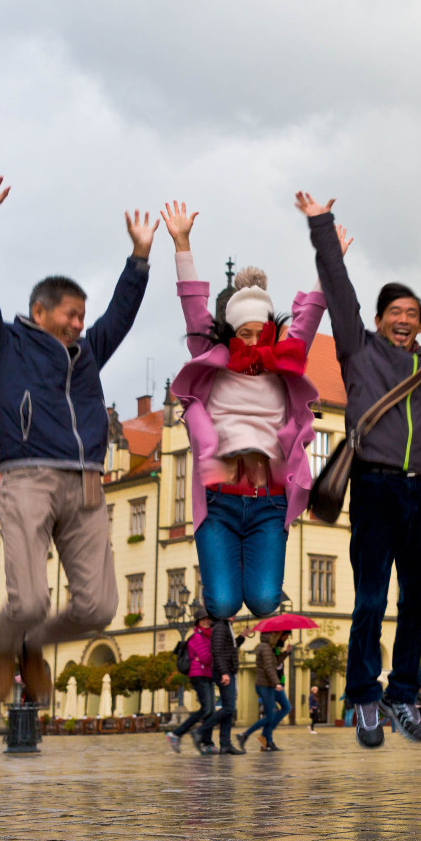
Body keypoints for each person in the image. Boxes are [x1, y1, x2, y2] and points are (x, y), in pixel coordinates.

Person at [303, 192, 421, 750]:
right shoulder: (358, 353)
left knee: (420, 601)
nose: (405, 321)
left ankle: (402, 692)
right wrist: (321, 226)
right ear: (381, 320)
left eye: (413, 316)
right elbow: (339, 291)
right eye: (396, 314)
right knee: (369, 600)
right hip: (375, 486)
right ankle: (363, 696)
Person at [0, 166, 149, 706]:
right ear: (40, 312)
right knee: (32, 599)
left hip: (86, 483)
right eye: (70, 315)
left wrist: (139, 259)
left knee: (99, 608)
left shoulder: (87, 354)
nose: (79, 325)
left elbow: (122, 316)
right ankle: (4, 639)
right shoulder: (3, 345)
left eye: (83, 317)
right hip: (28, 479)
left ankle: (29, 645)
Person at [165, 201, 326, 685]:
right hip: (218, 502)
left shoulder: (285, 364)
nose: (255, 341)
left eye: (262, 331)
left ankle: (236, 596)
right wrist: (182, 245)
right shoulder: (211, 359)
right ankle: (217, 618)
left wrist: (326, 255)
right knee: (218, 602)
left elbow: (311, 317)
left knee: (261, 600)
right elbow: (193, 308)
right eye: (245, 332)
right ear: (231, 330)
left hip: (268, 506)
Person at [166, 614, 242, 754]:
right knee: (206, 709)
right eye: (203, 619)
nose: (207, 621)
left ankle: (207, 743)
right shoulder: (197, 637)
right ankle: (177, 734)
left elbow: (220, 651)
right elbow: (207, 658)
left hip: (207, 674)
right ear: (198, 622)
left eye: (208, 619)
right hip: (198, 675)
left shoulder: (210, 635)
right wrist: (219, 655)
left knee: (210, 709)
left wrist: (236, 641)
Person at [239, 629, 291, 751]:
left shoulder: (272, 647)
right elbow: (269, 667)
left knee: (278, 711)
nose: (286, 638)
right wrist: (276, 683)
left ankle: (266, 739)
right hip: (269, 684)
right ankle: (251, 735)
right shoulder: (267, 647)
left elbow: (275, 662)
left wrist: (286, 653)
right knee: (273, 713)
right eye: (285, 635)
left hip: (272, 683)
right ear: (276, 635)